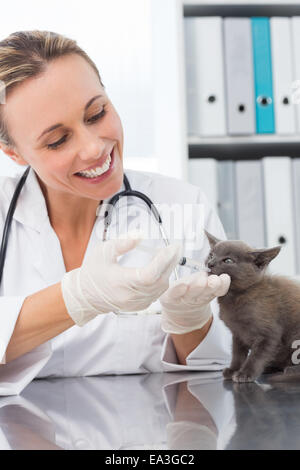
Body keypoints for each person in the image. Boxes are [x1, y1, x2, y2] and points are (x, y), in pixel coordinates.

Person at [0, 30, 232, 396]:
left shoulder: (180, 205)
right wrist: (78, 297)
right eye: (58, 140)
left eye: (97, 113)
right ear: (14, 153)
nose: (94, 148)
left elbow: (214, 368)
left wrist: (189, 319)